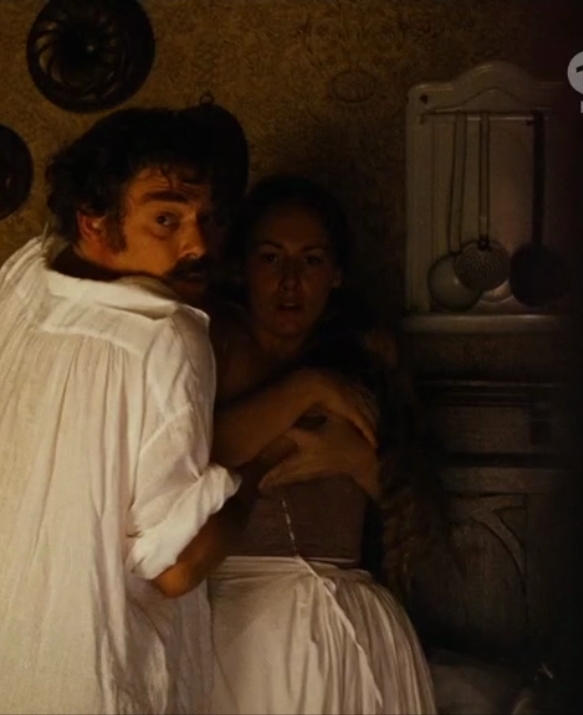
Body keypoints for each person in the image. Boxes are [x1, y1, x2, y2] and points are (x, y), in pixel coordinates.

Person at [0, 109, 371, 715]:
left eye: (208, 218)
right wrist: (260, 465)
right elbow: (178, 568)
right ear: (93, 221)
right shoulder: (168, 337)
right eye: (166, 219)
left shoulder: (24, 278)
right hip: (97, 687)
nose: (198, 245)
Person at [201, 174, 440, 714]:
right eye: (270, 258)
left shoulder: (366, 362)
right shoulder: (212, 347)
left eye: (310, 261)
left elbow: (420, 513)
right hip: (242, 629)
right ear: (241, 266)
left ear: (336, 275)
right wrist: (307, 389)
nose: (290, 281)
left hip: (353, 626)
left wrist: (358, 461)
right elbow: (202, 450)